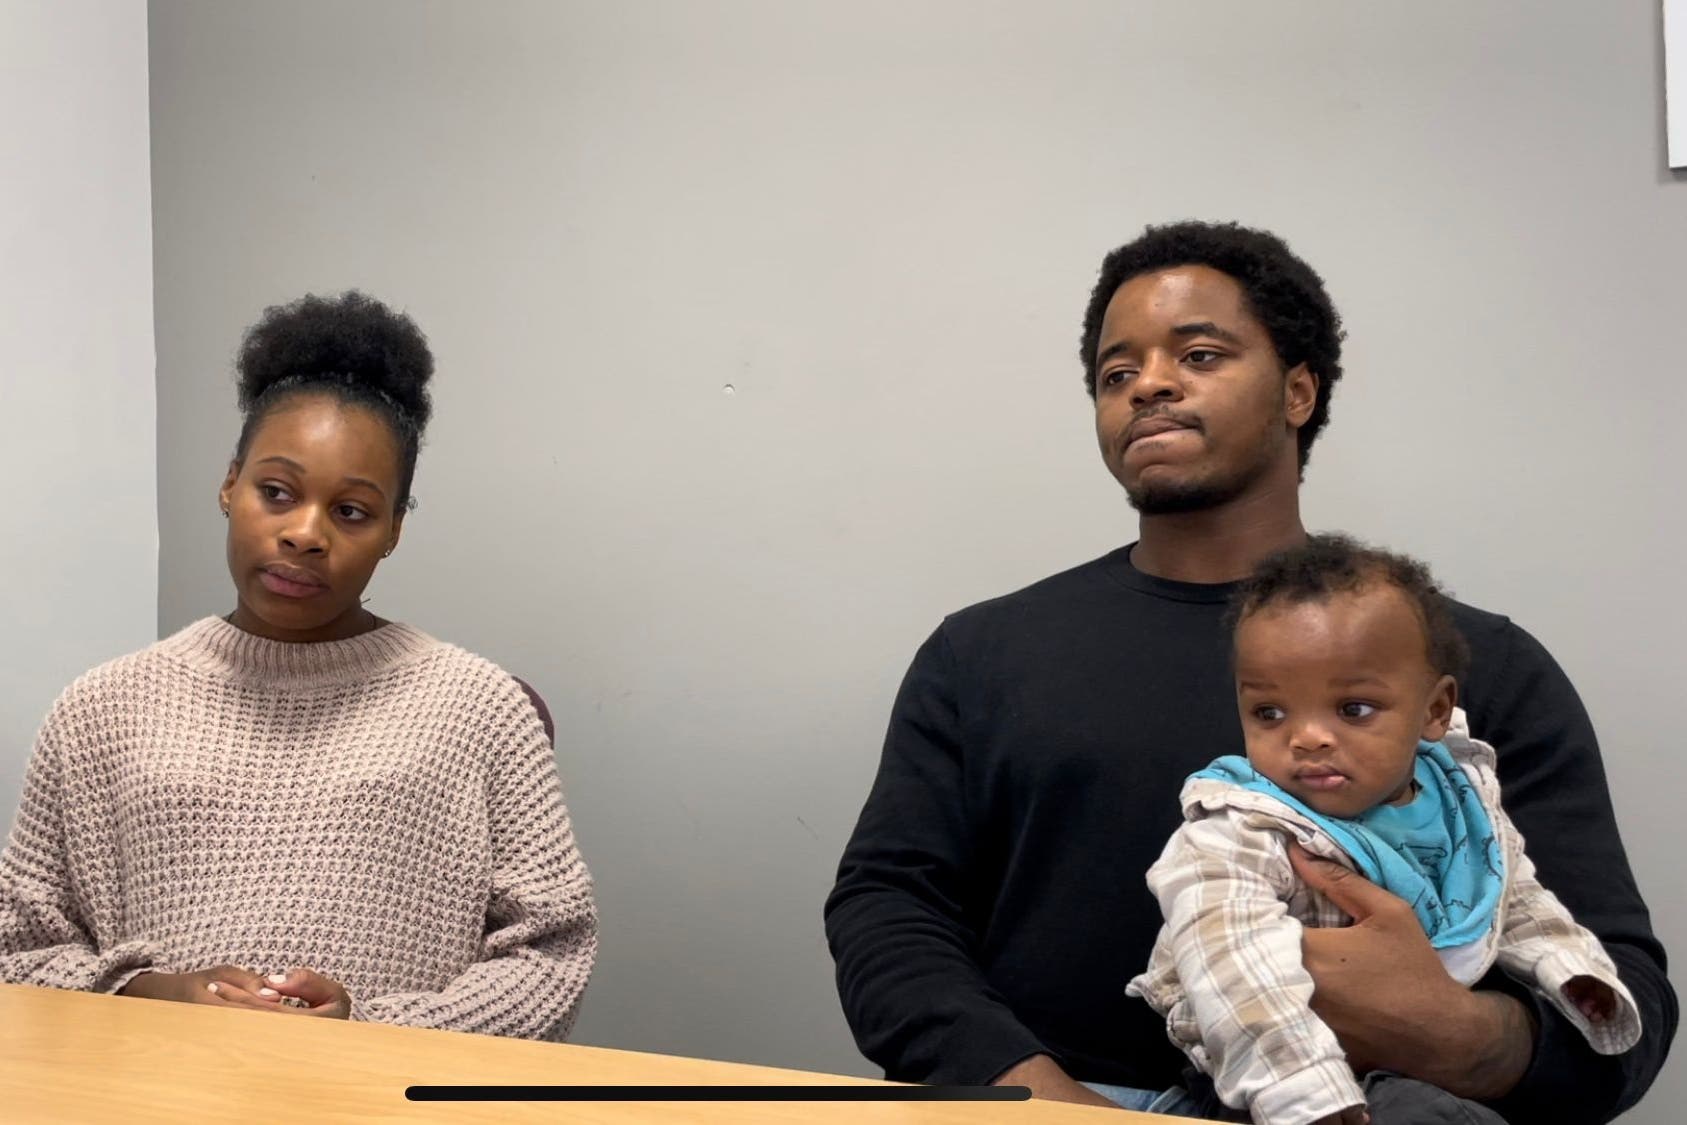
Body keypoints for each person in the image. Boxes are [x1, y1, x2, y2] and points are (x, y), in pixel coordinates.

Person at [824, 221, 1675, 1121]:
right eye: (1117, 374)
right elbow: (887, 914)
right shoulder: (980, 653)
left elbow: (1624, 1005)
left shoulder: (1471, 665)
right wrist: (1043, 1103)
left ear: (1298, 391)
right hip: (1052, 1101)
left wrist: (1452, 1032)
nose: (1147, 384)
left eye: (1197, 353)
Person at [0, 291, 597, 1040]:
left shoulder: (479, 707)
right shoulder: (102, 707)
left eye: (351, 510)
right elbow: (17, 945)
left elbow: (551, 952)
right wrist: (144, 991)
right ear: (229, 484)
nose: (305, 533)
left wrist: (370, 1030)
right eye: (276, 492)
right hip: (155, 1098)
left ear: (394, 529)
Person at [1126, 534, 1640, 1124]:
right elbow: (1230, 960)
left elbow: (1511, 898)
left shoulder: (1459, 800)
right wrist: (1301, 1090)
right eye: (1269, 712)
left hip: (1417, 1069)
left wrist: (1573, 974)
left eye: (1353, 709)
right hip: (1261, 1071)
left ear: (1435, 710)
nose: (1307, 737)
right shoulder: (1236, 827)